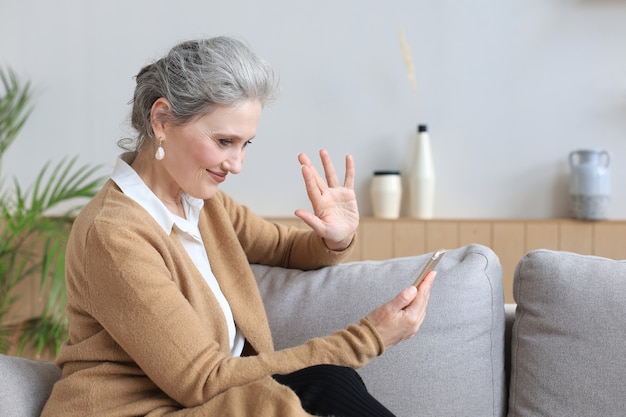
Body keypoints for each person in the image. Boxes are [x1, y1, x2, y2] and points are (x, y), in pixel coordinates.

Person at [41, 36, 436, 417]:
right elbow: (204, 380)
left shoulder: (202, 202)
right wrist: (369, 337)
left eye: (245, 144)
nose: (236, 164)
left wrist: (335, 237)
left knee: (329, 382)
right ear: (161, 119)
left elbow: (283, 249)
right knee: (316, 388)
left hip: (209, 402)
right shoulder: (114, 235)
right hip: (140, 410)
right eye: (224, 141)